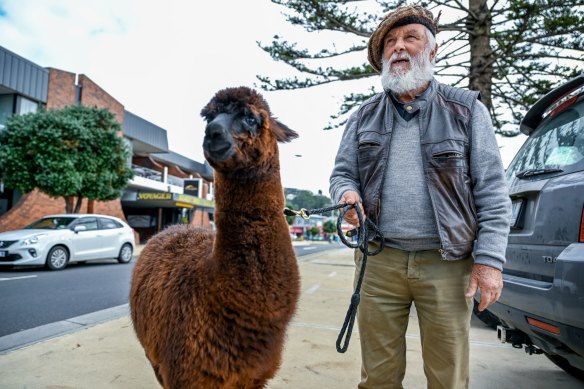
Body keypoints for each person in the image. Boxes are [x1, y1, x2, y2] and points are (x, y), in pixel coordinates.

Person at [329, 5, 511, 389]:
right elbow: (343, 173)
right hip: (378, 262)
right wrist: (346, 193)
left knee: (448, 378)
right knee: (377, 378)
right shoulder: (362, 117)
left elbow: (493, 192)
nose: (398, 48)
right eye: (390, 43)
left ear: (433, 50)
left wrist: (490, 261)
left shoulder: (466, 110)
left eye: (409, 38)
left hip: (447, 265)